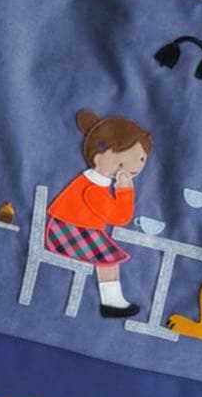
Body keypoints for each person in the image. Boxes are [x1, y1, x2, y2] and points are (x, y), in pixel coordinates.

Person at [46, 109, 152, 317]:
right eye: (121, 163)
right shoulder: (93, 189)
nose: (136, 167)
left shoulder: (95, 183)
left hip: (72, 229)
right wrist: (125, 190)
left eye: (141, 159)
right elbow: (120, 218)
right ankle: (111, 302)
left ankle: (112, 301)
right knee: (109, 257)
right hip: (67, 232)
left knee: (108, 256)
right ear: (98, 156)